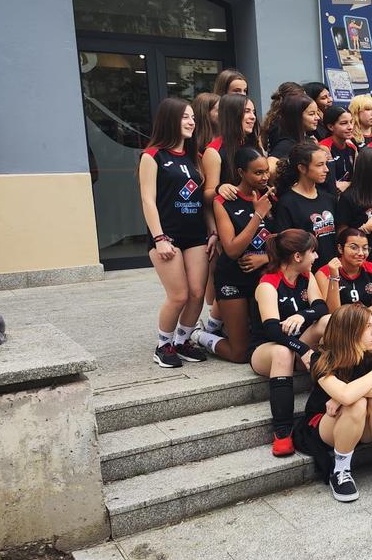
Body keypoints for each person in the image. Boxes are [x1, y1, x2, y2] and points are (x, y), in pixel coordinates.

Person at [138, 98, 216, 368]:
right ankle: (163, 345)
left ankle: (182, 341)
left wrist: (212, 230)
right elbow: (148, 200)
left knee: (197, 293)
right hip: (167, 236)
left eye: (193, 117)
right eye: (184, 117)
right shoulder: (152, 155)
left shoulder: (196, 157)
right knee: (179, 295)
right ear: (169, 119)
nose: (191, 122)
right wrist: (159, 238)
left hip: (196, 235)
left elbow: (203, 199)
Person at [295, 304, 372, 500]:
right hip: (327, 423)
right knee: (355, 403)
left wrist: (345, 395)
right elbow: (346, 397)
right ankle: (340, 470)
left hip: (364, 425)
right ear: (349, 332)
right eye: (368, 327)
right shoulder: (321, 358)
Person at [250, 229, 330, 456]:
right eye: (312, 252)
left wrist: (302, 315)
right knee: (282, 352)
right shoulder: (268, 284)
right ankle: (282, 431)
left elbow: (321, 307)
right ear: (297, 256)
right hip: (267, 349)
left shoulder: (307, 276)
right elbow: (272, 330)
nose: (316, 257)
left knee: (328, 321)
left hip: (298, 347)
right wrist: (303, 350)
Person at [191, 147, 272, 363]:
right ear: (241, 172)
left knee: (262, 343)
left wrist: (266, 258)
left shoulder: (272, 196)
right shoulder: (224, 201)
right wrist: (258, 215)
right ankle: (199, 336)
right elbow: (232, 250)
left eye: (266, 171)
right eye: (258, 173)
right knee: (240, 354)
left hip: (263, 279)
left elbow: (283, 240)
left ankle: (219, 327)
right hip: (233, 278)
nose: (264, 177)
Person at [271, 142, 337, 272]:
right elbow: (284, 245)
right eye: (319, 165)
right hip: (305, 273)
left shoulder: (329, 199)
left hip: (331, 271)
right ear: (302, 168)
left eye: (325, 164)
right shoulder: (287, 203)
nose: (326, 169)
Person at [315, 228, 372, 327]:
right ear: (340, 249)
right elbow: (331, 315)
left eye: (365, 248)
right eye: (354, 248)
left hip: (368, 323)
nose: (361, 253)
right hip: (341, 325)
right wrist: (334, 277)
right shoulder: (324, 273)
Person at [318, 105, 358, 191]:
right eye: (344, 123)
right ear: (330, 127)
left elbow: (357, 177)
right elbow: (328, 182)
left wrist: (349, 184)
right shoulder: (323, 148)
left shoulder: (352, 146)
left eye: (351, 122)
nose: (350, 127)